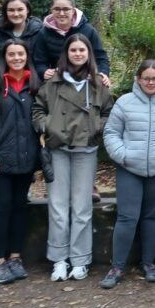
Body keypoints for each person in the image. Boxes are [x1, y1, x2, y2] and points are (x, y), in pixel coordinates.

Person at [32, 34, 114, 282]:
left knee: (82, 207)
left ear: (89, 53)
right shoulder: (53, 82)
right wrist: (48, 126)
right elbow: (37, 109)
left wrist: (94, 128)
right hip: (57, 148)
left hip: (85, 150)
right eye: (73, 50)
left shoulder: (98, 84)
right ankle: (59, 259)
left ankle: (80, 259)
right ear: (66, 53)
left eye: (82, 50)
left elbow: (110, 112)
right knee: (58, 206)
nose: (78, 54)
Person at [101, 60, 155, 289]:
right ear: (138, 79)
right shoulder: (124, 102)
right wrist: (123, 155)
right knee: (127, 217)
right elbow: (111, 132)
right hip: (129, 168)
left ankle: (148, 263)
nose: (150, 82)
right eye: (146, 78)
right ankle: (117, 266)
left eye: (154, 78)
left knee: (152, 216)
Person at [0, 39, 40, 285]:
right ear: (4, 57)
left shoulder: (35, 85)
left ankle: (15, 256)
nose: (16, 58)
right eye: (11, 54)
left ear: (27, 56)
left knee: (20, 207)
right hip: (0, 159)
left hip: (26, 158)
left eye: (20, 54)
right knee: (2, 207)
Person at [33, 0, 111, 87]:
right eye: (57, 9)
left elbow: (101, 57)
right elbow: (39, 61)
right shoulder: (44, 33)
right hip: (58, 81)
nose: (61, 13)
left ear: (73, 10)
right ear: (51, 10)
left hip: (86, 80)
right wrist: (43, 71)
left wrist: (103, 73)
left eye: (66, 9)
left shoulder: (88, 30)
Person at [0, 0, 43, 82]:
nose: (16, 14)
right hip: (0, 83)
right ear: (5, 12)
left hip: (31, 84)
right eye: (11, 10)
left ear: (27, 10)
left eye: (20, 9)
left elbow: (41, 63)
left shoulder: (38, 31)